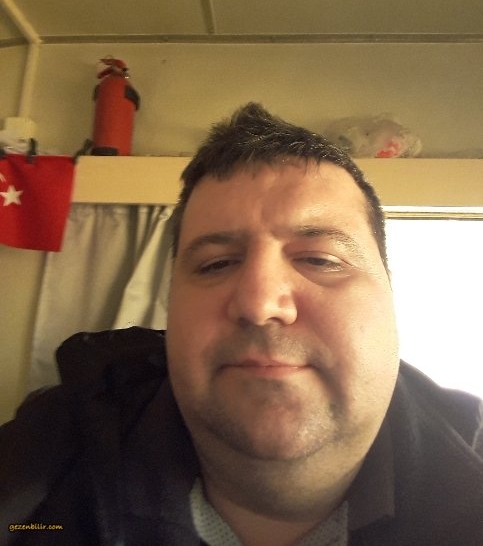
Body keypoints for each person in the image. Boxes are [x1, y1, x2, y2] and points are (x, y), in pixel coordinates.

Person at [0, 103, 482, 546]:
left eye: (319, 259)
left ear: (389, 295)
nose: (259, 303)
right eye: (215, 264)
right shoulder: (31, 477)